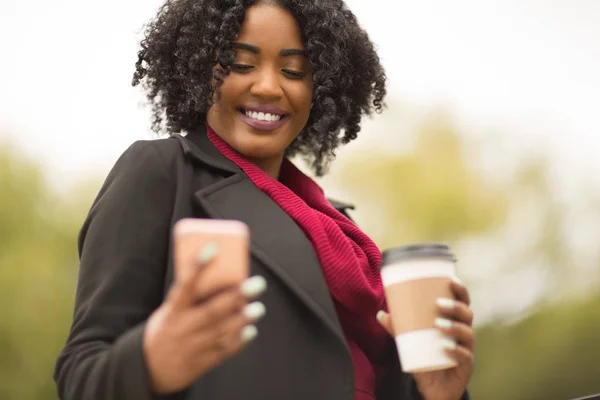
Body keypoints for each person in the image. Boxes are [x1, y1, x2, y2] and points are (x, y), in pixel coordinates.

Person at [54, 0, 475, 399]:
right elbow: (81, 374)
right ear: (201, 68)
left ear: (320, 87)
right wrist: (151, 360)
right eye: (241, 64)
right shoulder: (162, 172)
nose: (270, 86)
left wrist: (435, 393)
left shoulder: (337, 226)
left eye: (294, 71)